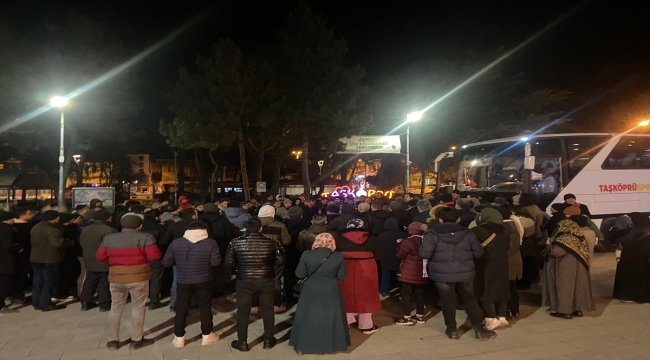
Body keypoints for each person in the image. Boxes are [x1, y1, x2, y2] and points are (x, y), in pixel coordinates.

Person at [418, 207, 496, 340]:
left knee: (447, 301)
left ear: (440, 219)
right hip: (465, 272)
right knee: (470, 299)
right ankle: (479, 330)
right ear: (457, 219)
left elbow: (424, 254)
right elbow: (478, 253)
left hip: (442, 274)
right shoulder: (467, 233)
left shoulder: (431, 234)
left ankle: (452, 330)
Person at [97, 214, 162, 350]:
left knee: (115, 308)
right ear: (139, 226)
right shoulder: (145, 237)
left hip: (116, 277)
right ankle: (136, 340)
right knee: (138, 307)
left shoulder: (109, 239)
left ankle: (113, 340)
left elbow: (100, 256)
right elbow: (154, 256)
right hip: (138, 276)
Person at [226, 218, 286, 352]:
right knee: (267, 309)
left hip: (244, 279)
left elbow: (229, 262)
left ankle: (242, 342)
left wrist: (240, 267)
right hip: (266, 279)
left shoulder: (235, 242)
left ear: (245, 228)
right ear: (260, 228)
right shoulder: (272, 242)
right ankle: (268, 340)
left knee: (243, 310)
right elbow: (281, 260)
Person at [289, 233, 350, 355]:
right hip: (331, 289)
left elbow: (299, 274)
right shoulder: (338, 256)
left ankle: (302, 346)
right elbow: (342, 276)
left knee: (307, 316)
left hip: (310, 289)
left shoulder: (307, 254)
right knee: (330, 318)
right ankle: (329, 346)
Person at [163, 221, 221, 348]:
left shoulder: (176, 243)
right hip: (204, 279)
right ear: (204, 230)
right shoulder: (211, 243)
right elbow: (216, 262)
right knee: (205, 308)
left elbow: (166, 262)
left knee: (181, 308)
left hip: (183, 280)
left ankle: (179, 338)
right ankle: (207, 336)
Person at [542, 207, 595, 319]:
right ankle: (577, 309)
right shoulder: (579, 236)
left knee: (565, 288)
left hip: (566, 268)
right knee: (577, 288)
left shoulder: (565, 238)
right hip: (580, 266)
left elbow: (556, 252)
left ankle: (564, 311)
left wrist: (549, 244)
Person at [335, 219, 384, 334]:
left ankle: (345, 323)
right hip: (367, 269)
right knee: (366, 295)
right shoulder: (373, 239)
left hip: (345, 268)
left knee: (345, 294)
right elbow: (381, 255)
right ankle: (366, 325)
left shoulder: (338, 239)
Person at [471, 208, 511, 330]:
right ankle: (502, 316)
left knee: (486, 289)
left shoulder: (477, 231)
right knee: (502, 288)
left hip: (485, 264)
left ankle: (491, 318)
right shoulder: (505, 231)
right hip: (503, 264)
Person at [30, 210, 73, 311]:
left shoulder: (36, 227)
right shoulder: (53, 230)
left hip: (35, 257)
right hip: (49, 258)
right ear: (53, 218)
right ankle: (45, 304)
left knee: (37, 281)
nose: (59, 218)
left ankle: (36, 302)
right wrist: (68, 243)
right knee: (48, 282)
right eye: (57, 217)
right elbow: (58, 244)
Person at [79, 210, 117, 311]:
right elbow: (113, 245)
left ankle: (85, 302)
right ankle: (104, 304)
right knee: (104, 282)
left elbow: (81, 242)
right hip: (104, 259)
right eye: (110, 217)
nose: (111, 218)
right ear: (106, 218)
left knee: (90, 280)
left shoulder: (85, 229)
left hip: (89, 258)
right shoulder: (109, 230)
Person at [395, 222, 428, 325]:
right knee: (420, 293)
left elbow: (400, 254)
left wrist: (400, 244)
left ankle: (407, 317)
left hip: (408, 272)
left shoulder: (409, 242)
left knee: (406, 293)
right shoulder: (427, 241)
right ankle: (420, 316)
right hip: (423, 271)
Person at [199, 203, 234, 298]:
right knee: (219, 269)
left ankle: (206, 289)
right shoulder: (222, 219)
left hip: (203, 247)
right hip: (221, 246)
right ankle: (218, 289)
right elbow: (229, 234)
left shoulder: (200, 219)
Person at [613, 213, 650, 303]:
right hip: (641, 264)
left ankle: (626, 295)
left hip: (626, 262)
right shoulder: (646, 235)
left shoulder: (628, 234)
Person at [515, 193, 545, 289]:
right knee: (534, 257)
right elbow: (540, 223)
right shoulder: (536, 208)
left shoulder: (523, 210)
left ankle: (525, 278)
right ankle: (535, 277)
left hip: (526, 236)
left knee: (526, 257)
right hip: (537, 234)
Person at [140, 210, 166, 309]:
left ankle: (142, 300)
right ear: (156, 217)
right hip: (156, 256)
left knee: (142, 279)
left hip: (140, 256)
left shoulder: (139, 227)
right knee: (156, 278)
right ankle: (154, 301)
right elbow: (164, 242)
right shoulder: (160, 227)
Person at [378, 218, 406, 298]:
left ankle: (384, 291)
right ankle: (402, 292)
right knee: (400, 276)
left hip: (385, 257)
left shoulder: (381, 235)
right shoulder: (402, 234)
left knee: (385, 275)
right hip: (398, 258)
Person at [11, 208, 33, 304]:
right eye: (29, 213)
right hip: (23, 254)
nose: (32, 215)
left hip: (18, 255)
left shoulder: (12, 226)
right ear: (22, 215)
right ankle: (17, 295)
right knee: (20, 275)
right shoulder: (24, 227)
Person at [0, 211, 19, 314]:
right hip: (5, 261)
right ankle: (1, 306)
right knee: (4, 284)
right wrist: (17, 248)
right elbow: (7, 245)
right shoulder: (6, 229)